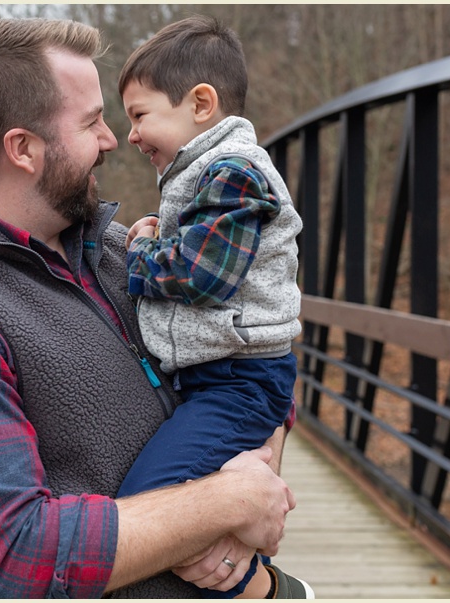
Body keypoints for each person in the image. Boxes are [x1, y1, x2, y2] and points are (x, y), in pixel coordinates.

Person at [0, 17, 295, 599]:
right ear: (22, 148)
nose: (111, 140)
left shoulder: (127, 250)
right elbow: (15, 563)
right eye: (92, 121)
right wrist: (226, 502)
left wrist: (257, 471)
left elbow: (252, 352)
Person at [115, 15, 312, 599]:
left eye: (139, 115)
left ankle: (266, 588)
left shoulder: (236, 173)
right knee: (163, 509)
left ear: (201, 103)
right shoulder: (203, 172)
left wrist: (140, 251)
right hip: (219, 378)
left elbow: (202, 276)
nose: (130, 135)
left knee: (148, 510)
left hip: (238, 382)